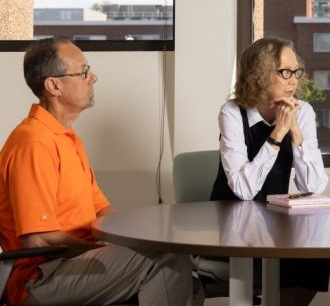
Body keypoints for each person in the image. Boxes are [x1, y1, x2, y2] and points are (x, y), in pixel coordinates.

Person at [0, 37, 203, 305]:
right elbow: (39, 240)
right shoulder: (33, 143)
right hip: (40, 277)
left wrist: (146, 237)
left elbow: (104, 213)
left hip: (75, 262)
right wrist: (101, 248)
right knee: (167, 259)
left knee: (189, 280)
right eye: (83, 72)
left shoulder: (67, 139)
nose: (93, 77)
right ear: (53, 85)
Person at [209, 36, 330, 306]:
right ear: (260, 75)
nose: (294, 81)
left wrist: (295, 131)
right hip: (230, 219)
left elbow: (314, 185)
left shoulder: (304, 112)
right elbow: (243, 191)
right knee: (284, 258)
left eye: (296, 72)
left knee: (315, 254)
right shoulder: (232, 113)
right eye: (285, 72)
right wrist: (277, 134)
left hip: (274, 220)